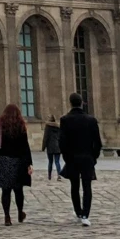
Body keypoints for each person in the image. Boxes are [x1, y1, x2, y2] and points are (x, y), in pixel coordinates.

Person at [58, 93, 103, 226]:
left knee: (74, 186)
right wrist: (93, 157)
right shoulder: (91, 120)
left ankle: (78, 212)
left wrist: (66, 157)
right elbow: (98, 143)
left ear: (70, 103)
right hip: (87, 157)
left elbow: (62, 142)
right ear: (82, 103)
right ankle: (85, 215)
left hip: (72, 158)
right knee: (87, 186)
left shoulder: (65, 120)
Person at [0, 103, 32, 222]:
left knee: (6, 190)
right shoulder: (21, 126)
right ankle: (20, 213)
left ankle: (7, 217)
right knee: (18, 190)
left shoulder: (0, 125)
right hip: (18, 161)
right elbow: (25, 146)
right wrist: (29, 163)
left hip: (3, 160)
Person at [42, 115, 63, 180]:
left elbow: (45, 137)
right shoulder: (58, 126)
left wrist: (43, 147)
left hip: (50, 147)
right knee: (57, 161)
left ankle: (49, 176)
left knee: (50, 161)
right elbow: (61, 137)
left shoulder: (48, 127)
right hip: (57, 146)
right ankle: (59, 175)